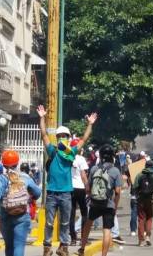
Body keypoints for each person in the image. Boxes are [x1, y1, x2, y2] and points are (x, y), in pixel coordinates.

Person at [37, 105, 97, 256]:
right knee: (49, 223)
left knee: (65, 222)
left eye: (64, 136)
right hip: (52, 192)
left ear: (69, 139)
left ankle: (63, 246)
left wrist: (90, 124)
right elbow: (44, 134)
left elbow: (84, 138)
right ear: (56, 139)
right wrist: (42, 117)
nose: (62, 138)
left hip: (66, 193)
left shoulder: (72, 153)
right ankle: (47, 247)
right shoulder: (53, 151)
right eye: (59, 136)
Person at [0, 150, 41, 256]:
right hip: (22, 216)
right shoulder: (25, 177)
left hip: (6, 215)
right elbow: (37, 192)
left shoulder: (1, 178)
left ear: (3, 164)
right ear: (17, 163)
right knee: (18, 246)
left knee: (9, 247)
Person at [78, 145, 122, 256]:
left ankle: (82, 249)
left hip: (95, 203)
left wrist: (92, 196)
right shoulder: (115, 171)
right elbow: (117, 191)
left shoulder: (94, 169)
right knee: (107, 230)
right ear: (112, 157)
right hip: (109, 204)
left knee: (88, 224)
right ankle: (104, 255)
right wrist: (115, 206)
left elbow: (88, 188)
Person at [132, 160, 153, 247]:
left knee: (141, 219)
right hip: (150, 200)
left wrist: (137, 196)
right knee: (149, 218)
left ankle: (140, 240)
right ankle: (148, 236)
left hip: (141, 200)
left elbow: (135, 187)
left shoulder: (139, 175)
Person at [69, 140, 89, 246]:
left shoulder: (67, 158)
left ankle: (73, 238)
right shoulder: (81, 159)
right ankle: (83, 238)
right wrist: (87, 187)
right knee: (84, 212)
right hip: (80, 188)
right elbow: (83, 175)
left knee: (71, 214)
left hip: (70, 188)